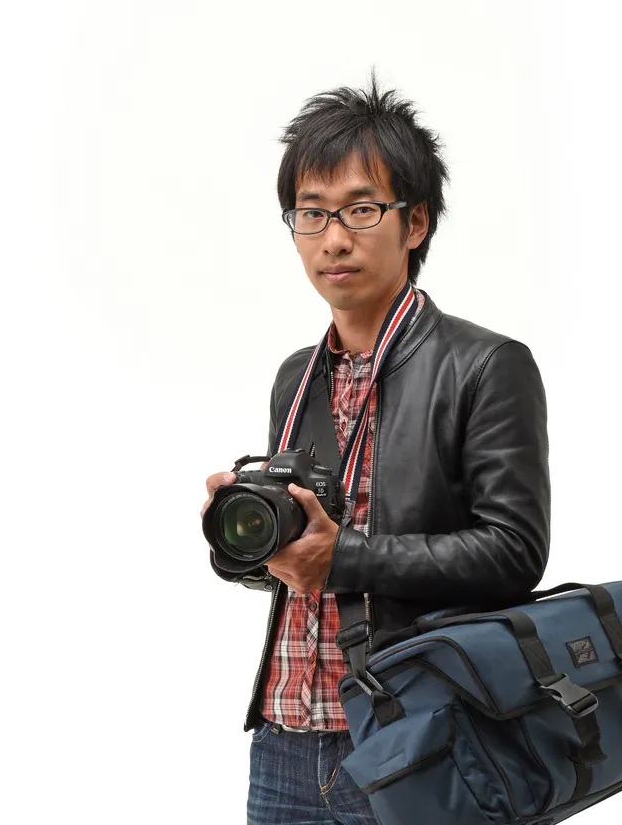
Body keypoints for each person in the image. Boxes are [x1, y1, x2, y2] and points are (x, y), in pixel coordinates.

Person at [201, 71, 551, 825]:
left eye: (361, 209)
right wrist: (249, 543)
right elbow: (307, 566)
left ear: (414, 222)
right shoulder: (296, 376)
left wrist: (344, 557)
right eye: (311, 213)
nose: (333, 238)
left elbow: (514, 552)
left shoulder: (485, 366)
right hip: (284, 740)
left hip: (415, 737)